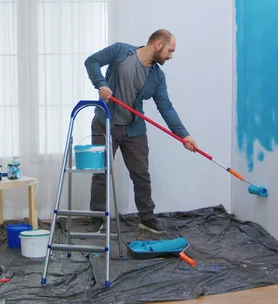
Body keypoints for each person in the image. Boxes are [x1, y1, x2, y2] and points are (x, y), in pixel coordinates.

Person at [83, 29, 197, 233]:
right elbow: (91, 61)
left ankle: (146, 217)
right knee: (101, 173)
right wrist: (101, 84)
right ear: (158, 45)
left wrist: (184, 135)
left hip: (134, 130)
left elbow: (166, 107)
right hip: (105, 124)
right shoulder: (120, 51)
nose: (171, 56)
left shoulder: (157, 76)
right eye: (170, 51)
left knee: (141, 174)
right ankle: (97, 217)